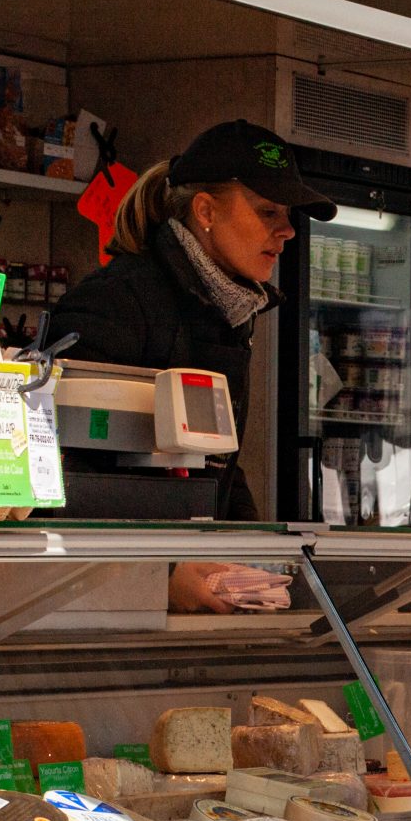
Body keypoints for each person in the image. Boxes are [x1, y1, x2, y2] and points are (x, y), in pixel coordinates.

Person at [50, 120, 337, 522]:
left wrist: (247, 553)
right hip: (117, 573)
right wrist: (171, 568)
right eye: (267, 211)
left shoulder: (231, 311)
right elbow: (63, 466)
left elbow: (218, 465)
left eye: (287, 214)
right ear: (205, 210)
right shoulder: (115, 301)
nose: (287, 230)